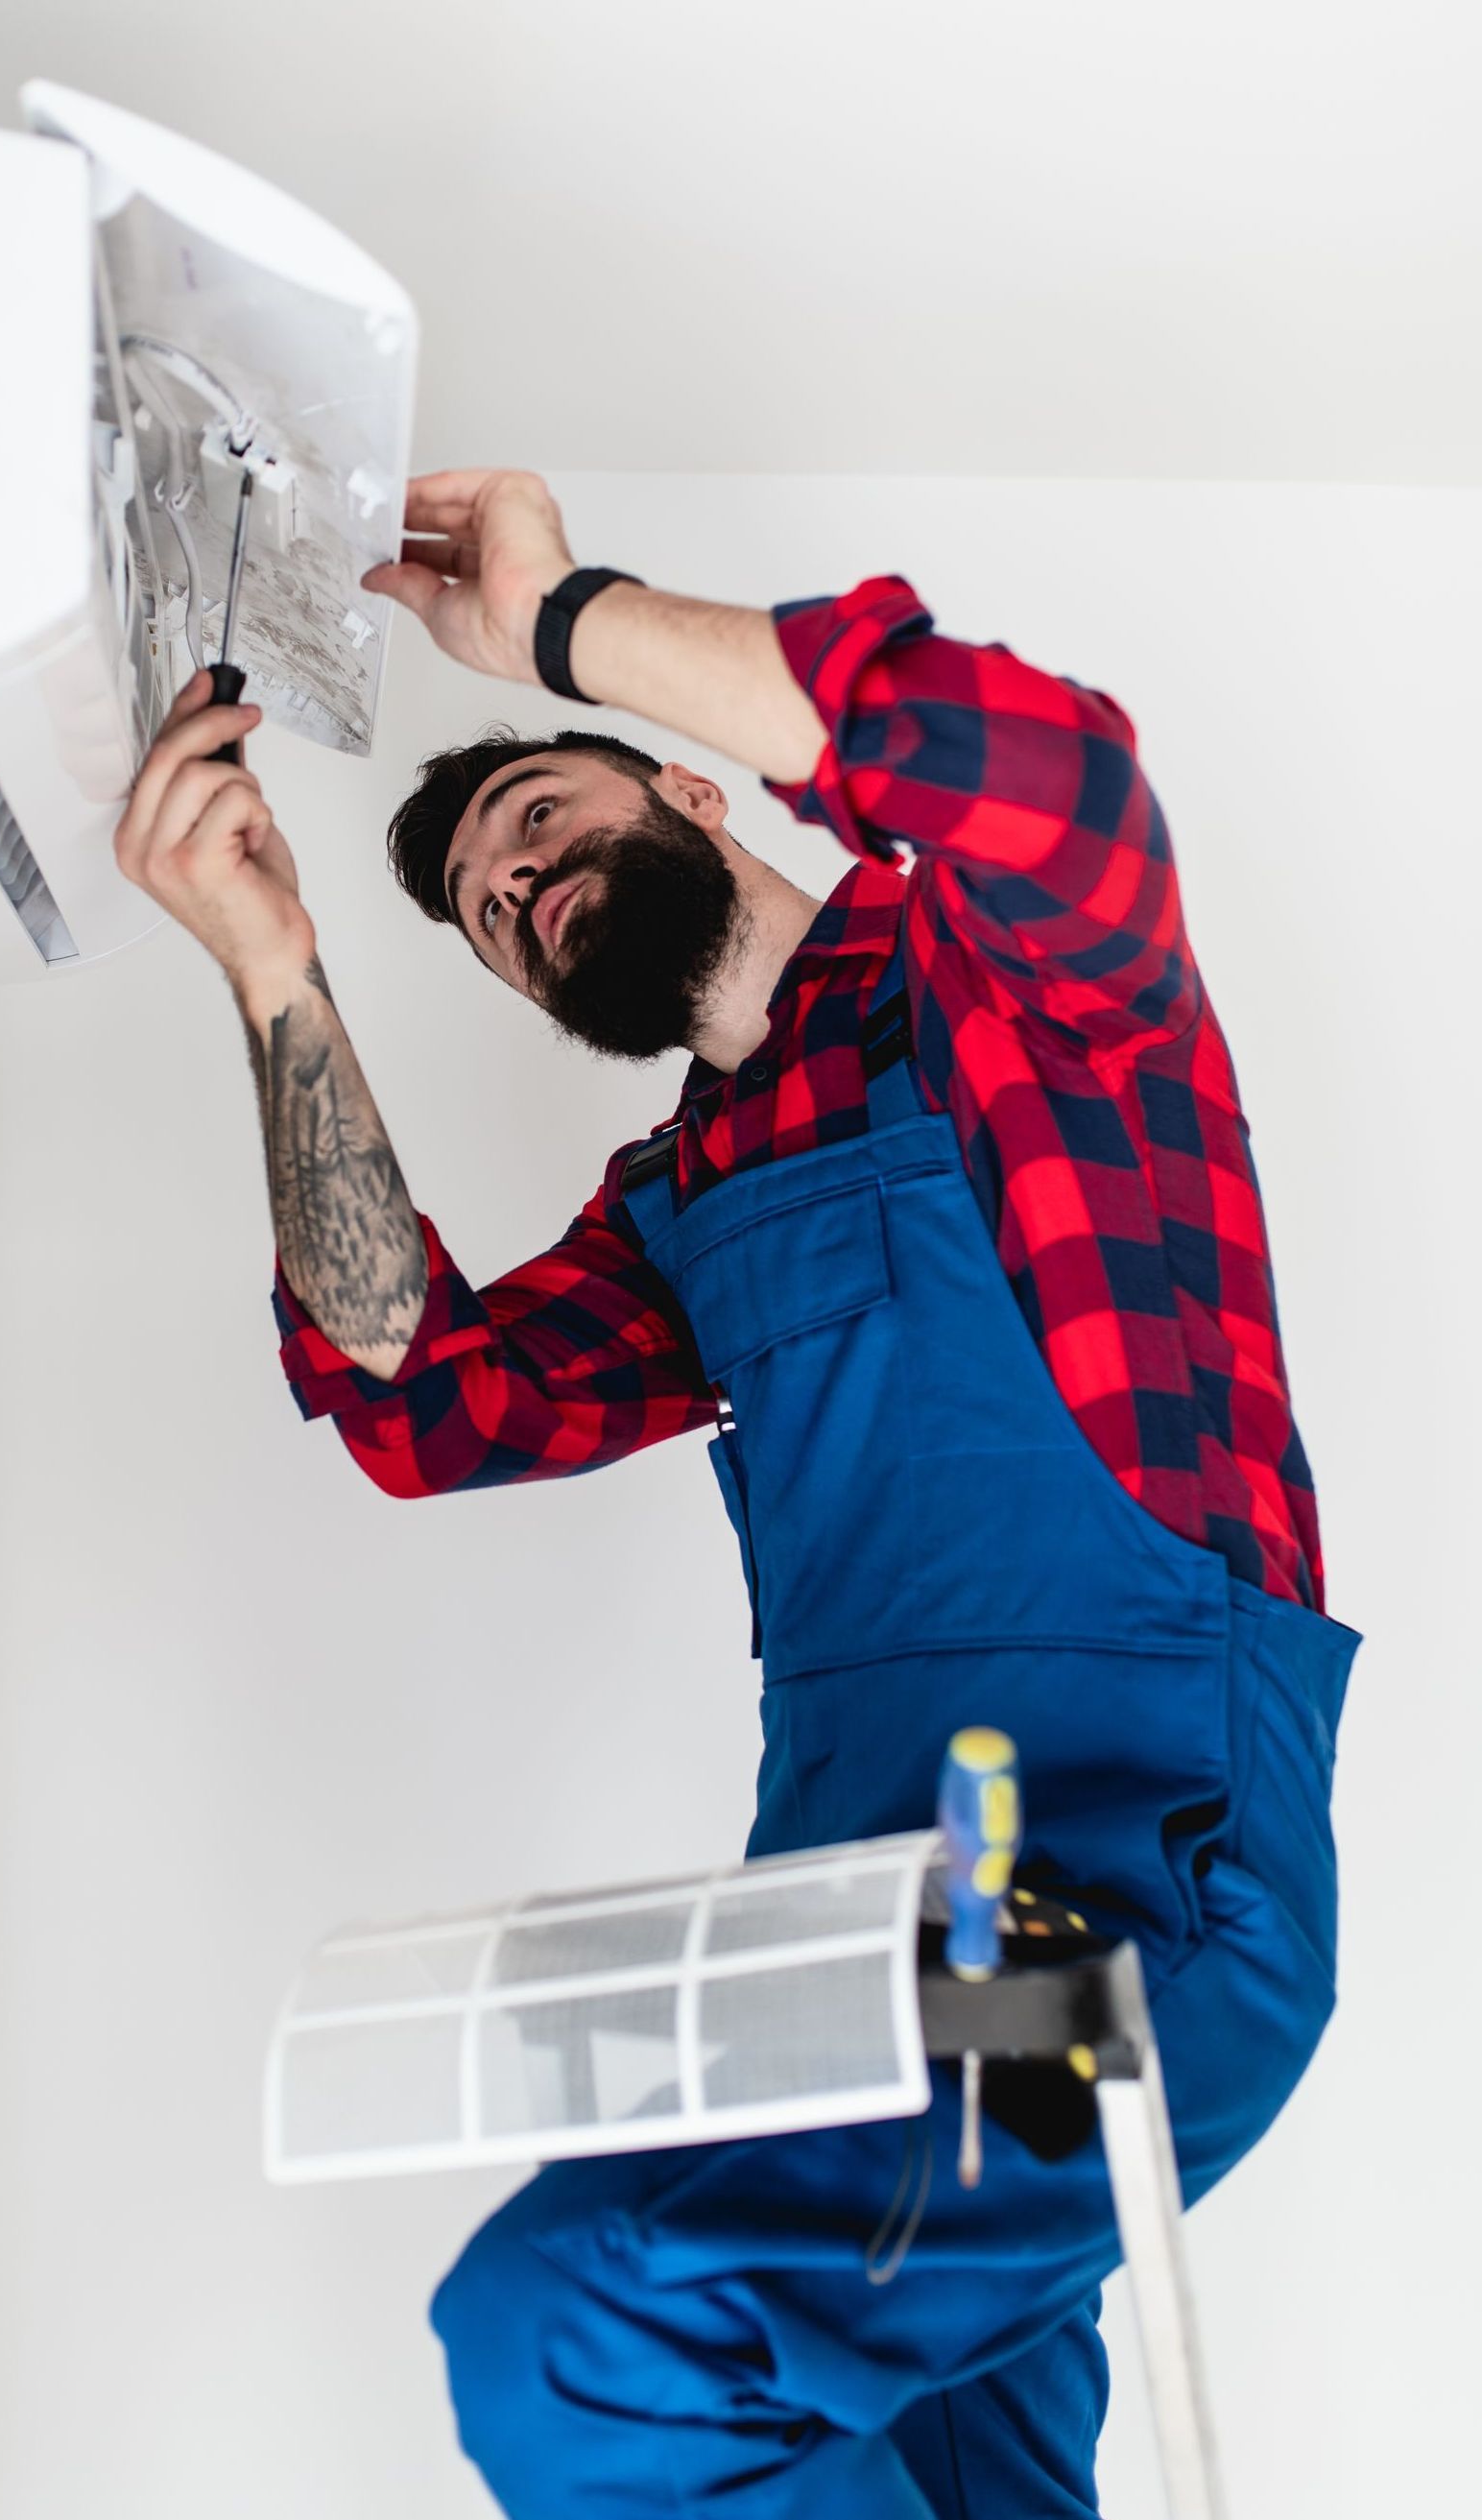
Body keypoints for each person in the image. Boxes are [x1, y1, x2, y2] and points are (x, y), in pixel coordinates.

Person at [113, 468, 1358, 2520]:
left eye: (539, 824)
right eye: (494, 921)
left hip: (1124, 1879)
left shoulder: (1016, 987)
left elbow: (1048, 774)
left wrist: (555, 623)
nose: (520, 895)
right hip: (846, 1933)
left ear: (690, 796)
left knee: (590, 2331)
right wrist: (270, 966)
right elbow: (415, 1391)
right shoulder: (678, 1203)